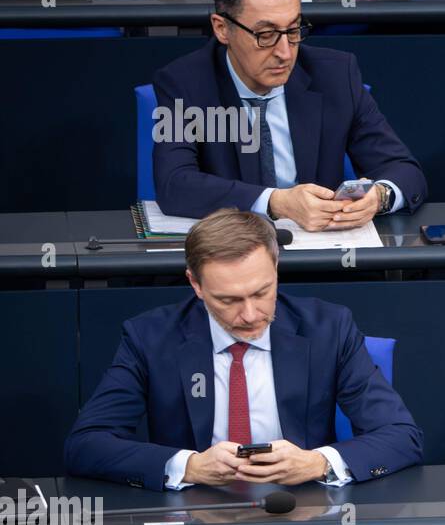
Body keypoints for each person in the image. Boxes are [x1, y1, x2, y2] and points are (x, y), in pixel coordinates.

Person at [65, 209, 424, 490]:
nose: (250, 315)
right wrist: (188, 467)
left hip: (305, 518)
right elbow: (86, 445)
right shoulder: (150, 338)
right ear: (196, 284)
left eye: (261, 292)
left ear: (277, 268)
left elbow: (401, 436)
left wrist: (317, 463)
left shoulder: (329, 328)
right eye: (229, 300)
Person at [152, 0, 426, 229]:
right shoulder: (185, 82)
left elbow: (403, 170)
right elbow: (174, 184)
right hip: (234, 256)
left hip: (322, 254)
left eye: (294, 30)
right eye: (266, 34)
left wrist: (380, 196)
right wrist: (276, 202)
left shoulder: (335, 75)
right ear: (222, 29)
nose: (285, 53)